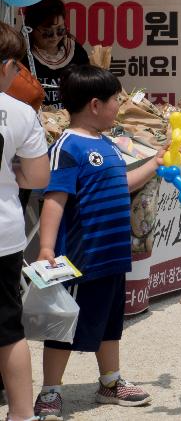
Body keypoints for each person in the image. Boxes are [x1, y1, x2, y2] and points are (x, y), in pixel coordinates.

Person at [34, 66, 161, 421]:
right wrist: (46, 248)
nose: (119, 106)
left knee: (109, 321)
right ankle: (50, 390)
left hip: (111, 254)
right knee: (65, 324)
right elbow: (55, 198)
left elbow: (121, 183)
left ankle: (110, 381)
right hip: (80, 257)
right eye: (115, 100)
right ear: (94, 104)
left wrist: (155, 162)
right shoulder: (67, 147)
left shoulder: (106, 144)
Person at [0, 25, 51, 421]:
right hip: (3, 232)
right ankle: (21, 414)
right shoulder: (20, 113)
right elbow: (37, 179)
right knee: (7, 328)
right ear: (7, 66)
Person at [23, 0, 90, 110]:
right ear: (31, 28)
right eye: (47, 32)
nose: (54, 37)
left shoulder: (76, 52)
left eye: (60, 30)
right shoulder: (23, 55)